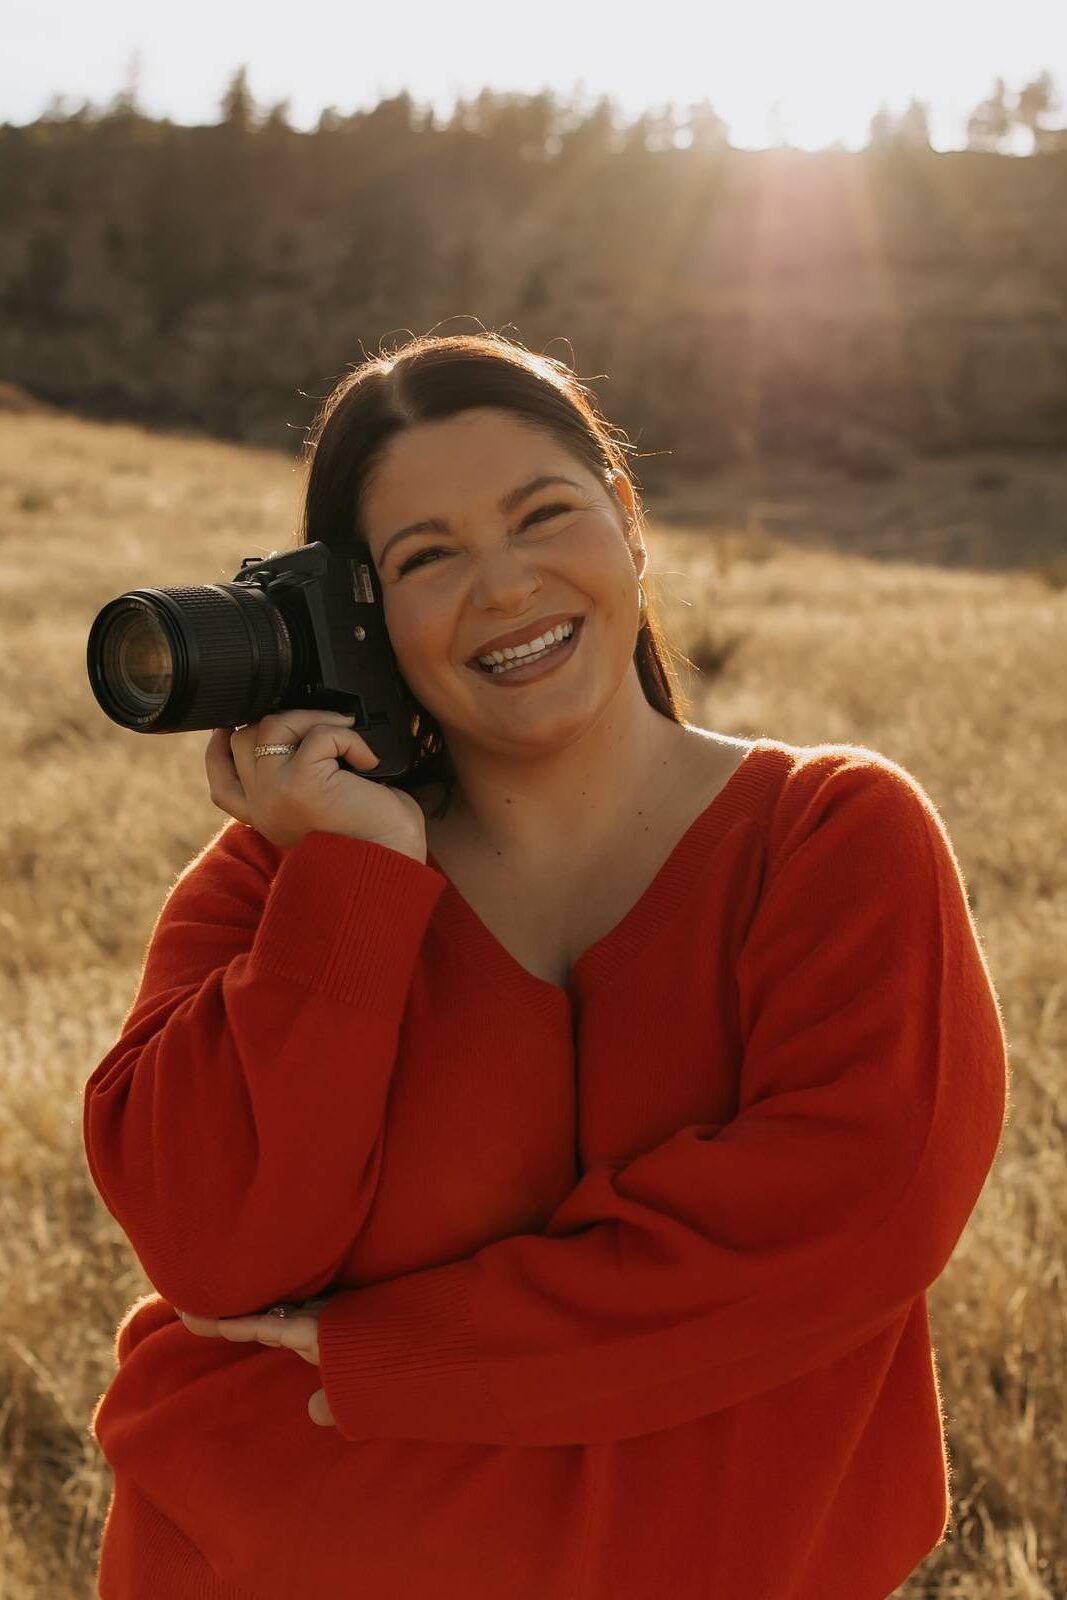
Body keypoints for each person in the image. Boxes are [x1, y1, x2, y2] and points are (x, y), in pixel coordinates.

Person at [84, 331, 1009, 1600]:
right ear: (361, 612)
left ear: (628, 523)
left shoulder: (830, 842)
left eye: (542, 516)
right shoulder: (272, 881)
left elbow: (837, 1230)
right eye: (425, 557)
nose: (504, 586)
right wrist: (350, 884)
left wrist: (389, 1358)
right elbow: (213, 1248)